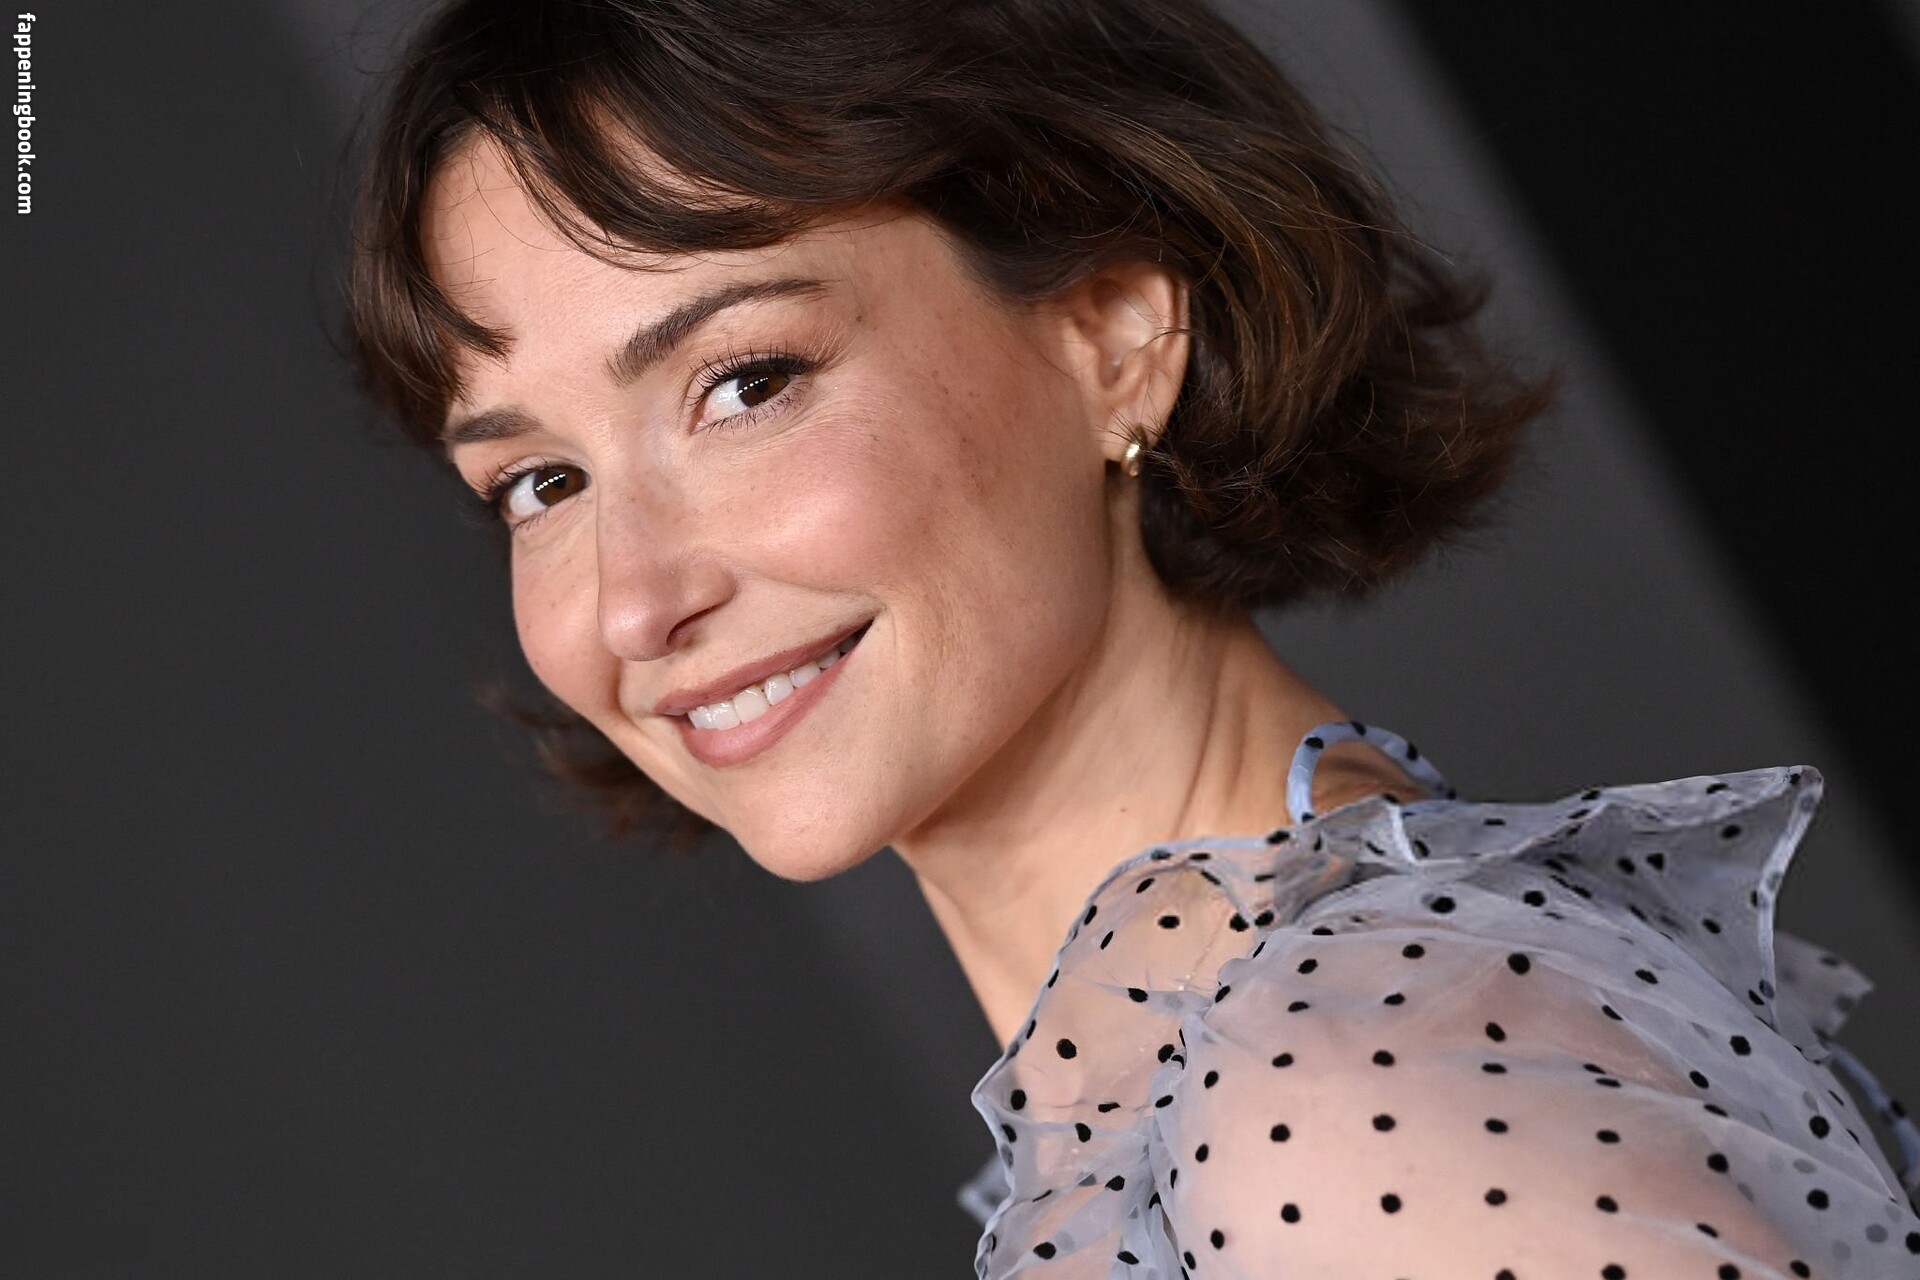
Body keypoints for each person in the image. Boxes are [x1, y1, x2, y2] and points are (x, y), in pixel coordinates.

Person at [341, 0, 1920, 1274]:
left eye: (746, 383)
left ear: (1112, 335)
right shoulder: (1245, 1074)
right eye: (540, 482)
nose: (633, 601)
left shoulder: (1344, 1097)